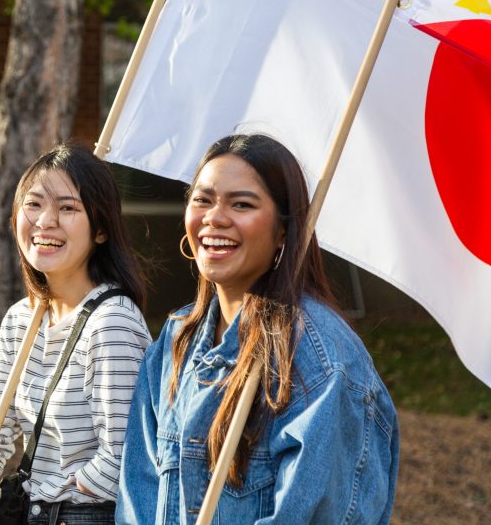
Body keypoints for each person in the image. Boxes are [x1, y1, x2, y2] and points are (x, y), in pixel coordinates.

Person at [116, 134, 399, 524]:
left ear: (284, 230)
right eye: (202, 199)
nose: (214, 217)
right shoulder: (173, 342)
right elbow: (138, 501)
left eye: (242, 204)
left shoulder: (323, 364)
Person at [0, 142, 151, 525]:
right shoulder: (20, 320)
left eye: (68, 207)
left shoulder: (112, 323)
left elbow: (126, 456)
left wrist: (52, 495)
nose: (45, 221)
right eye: (34, 204)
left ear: (102, 229)